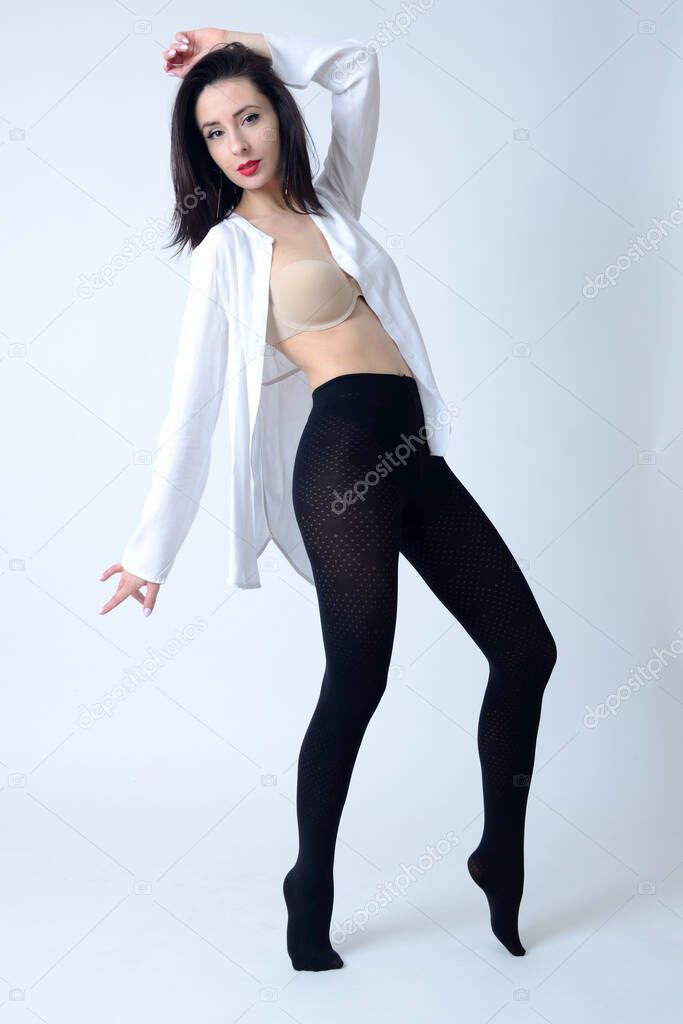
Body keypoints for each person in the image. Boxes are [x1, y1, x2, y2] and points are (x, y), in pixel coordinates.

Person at [100, 27, 558, 972]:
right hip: (341, 457)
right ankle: (310, 884)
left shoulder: (332, 204)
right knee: (359, 681)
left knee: (526, 648)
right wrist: (151, 552)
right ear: (202, 153)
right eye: (216, 131)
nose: (238, 142)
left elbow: (355, 66)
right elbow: (188, 414)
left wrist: (240, 42)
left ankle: (497, 852)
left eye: (250, 114)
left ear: (277, 115)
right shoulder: (224, 254)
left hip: (409, 449)